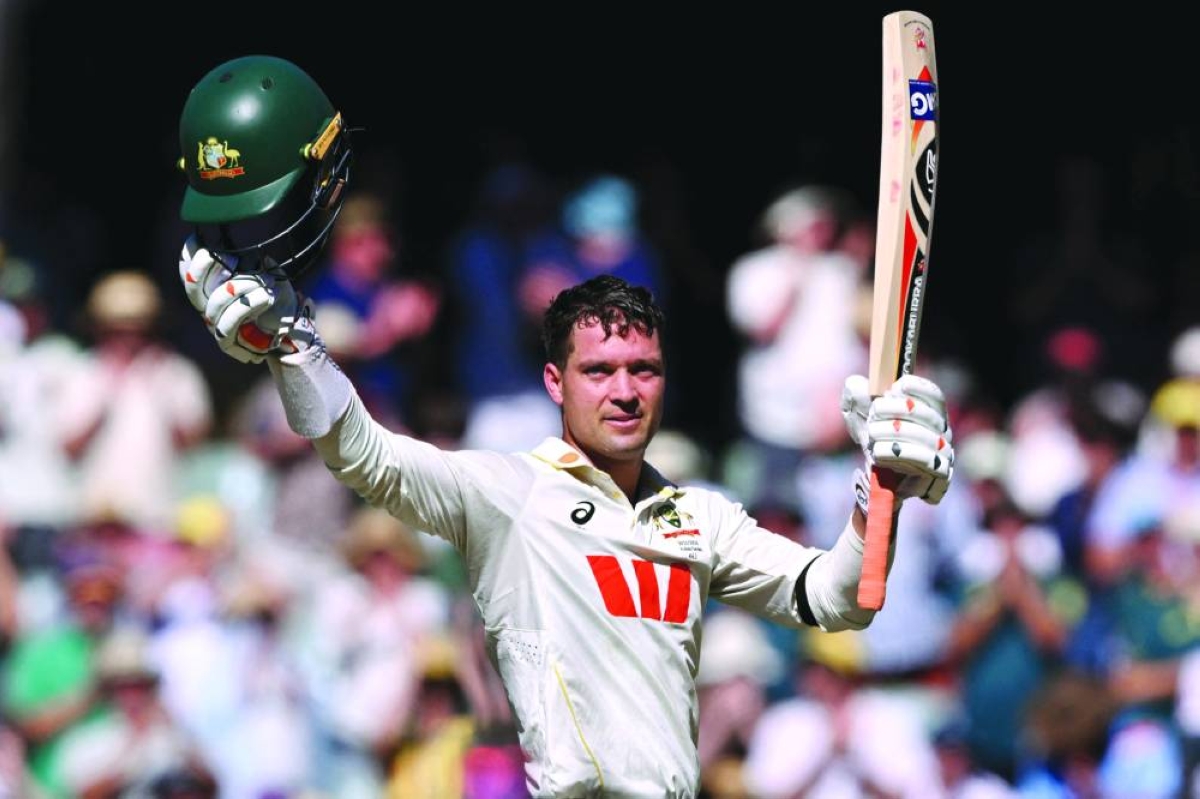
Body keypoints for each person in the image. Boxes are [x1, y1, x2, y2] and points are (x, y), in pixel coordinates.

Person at [172, 54, 957, 798]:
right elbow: (360, 453)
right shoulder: (506, 495)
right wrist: (293, 348)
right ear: (554, 382)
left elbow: (840, 597)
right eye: (599, 371)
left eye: (643, 370)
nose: (624, 392)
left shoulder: (702, 518)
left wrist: (879, 492)